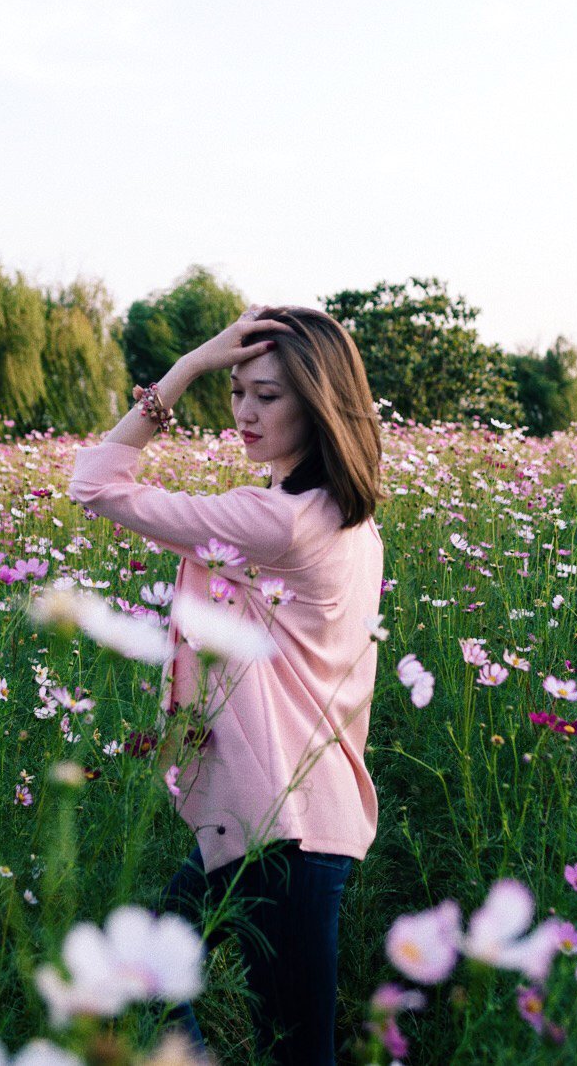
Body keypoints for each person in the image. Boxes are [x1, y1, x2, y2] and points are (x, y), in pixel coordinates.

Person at [65, 304, 387, 1066]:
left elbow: (95, 483)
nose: (242, 410)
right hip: (279, 817)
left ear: (318, 402)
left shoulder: (274, 523)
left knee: (295, 1052)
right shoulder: (345, 515)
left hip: (283, 829)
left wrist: (186, 369)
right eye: (235, 388)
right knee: (147, 975)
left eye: (267, 395)